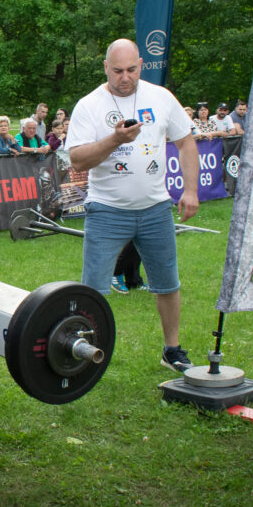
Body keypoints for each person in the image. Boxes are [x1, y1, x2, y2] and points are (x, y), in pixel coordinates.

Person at [68, 38, 199, 372]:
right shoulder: (89, 105)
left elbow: (186, 142)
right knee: (93, 290)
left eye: (131, 69)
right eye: (117, 71)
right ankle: (86, 354)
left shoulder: (160, 97)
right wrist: (115, 139)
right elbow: (78, 160)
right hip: (106, 210)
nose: (125, 77)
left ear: (141, 65)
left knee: (168, 283)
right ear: (105, 68)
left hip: (156, 209)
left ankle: (172, 350)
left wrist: (190, 190)